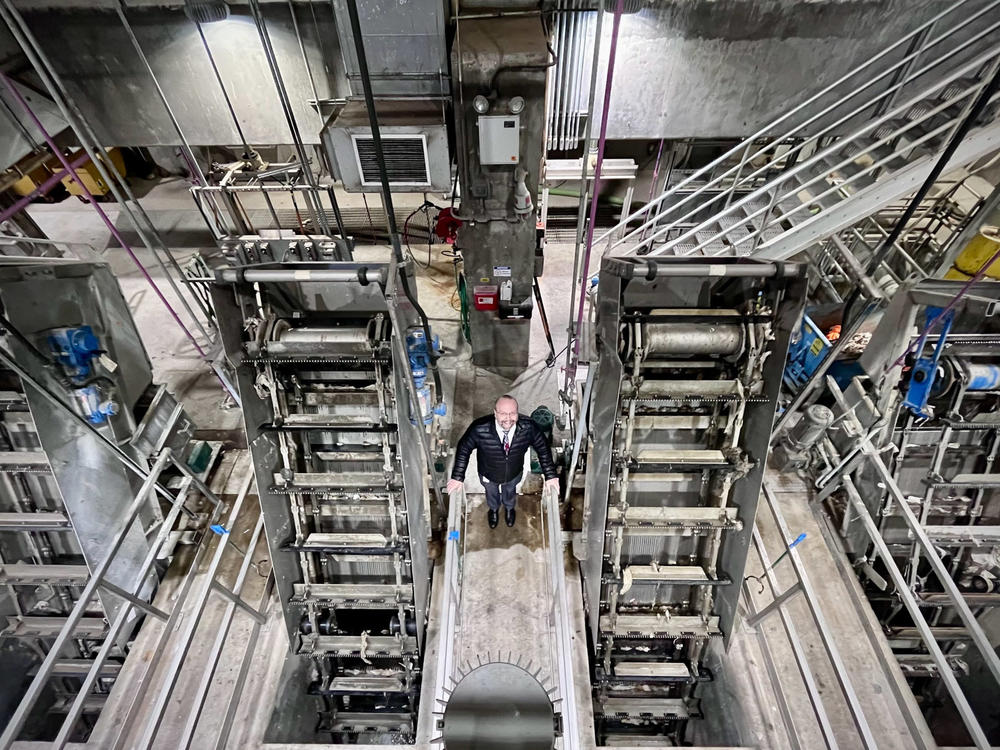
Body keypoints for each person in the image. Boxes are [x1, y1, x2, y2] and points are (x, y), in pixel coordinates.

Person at [446, 395, 559, 528]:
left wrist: (550, 475)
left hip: (514, 472)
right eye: (503, 414)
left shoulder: (528, 427)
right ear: (495, 413)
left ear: (517, 413)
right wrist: (457, 477)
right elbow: (464, 448)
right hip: (488, 473)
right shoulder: (480, 428)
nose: (508, 418)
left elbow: (543, 448)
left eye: (512, 413)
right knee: (491, 493)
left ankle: (509, 509)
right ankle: (493, 510)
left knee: (510, 491)